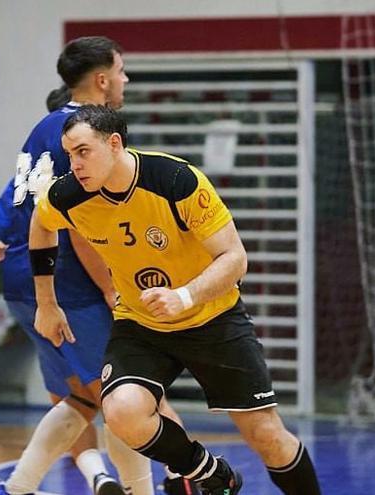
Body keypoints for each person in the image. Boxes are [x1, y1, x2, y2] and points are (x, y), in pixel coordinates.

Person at [29, 104, 322, 495]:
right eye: (69, 154)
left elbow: (235, 259)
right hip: (141, 324)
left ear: (114, 144)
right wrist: (46, 303)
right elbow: (41, 225)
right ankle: (210, 473)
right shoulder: (68, 195)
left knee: (267, 436)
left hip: (213, 319)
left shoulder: (176, 180)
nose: (75, 164)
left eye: (83, 152)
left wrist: (185, 296)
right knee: (121, 411)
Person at [0, 37, 192, 495]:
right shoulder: (84, 136)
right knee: (129, 395)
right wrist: (114, 291)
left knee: (79, 398)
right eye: (122, 70)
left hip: (25, 283)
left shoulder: (40, 130)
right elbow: (79, 228)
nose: (125, 79)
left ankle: (15, 488)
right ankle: (170, 484)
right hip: (68, 286)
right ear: (102, 78)